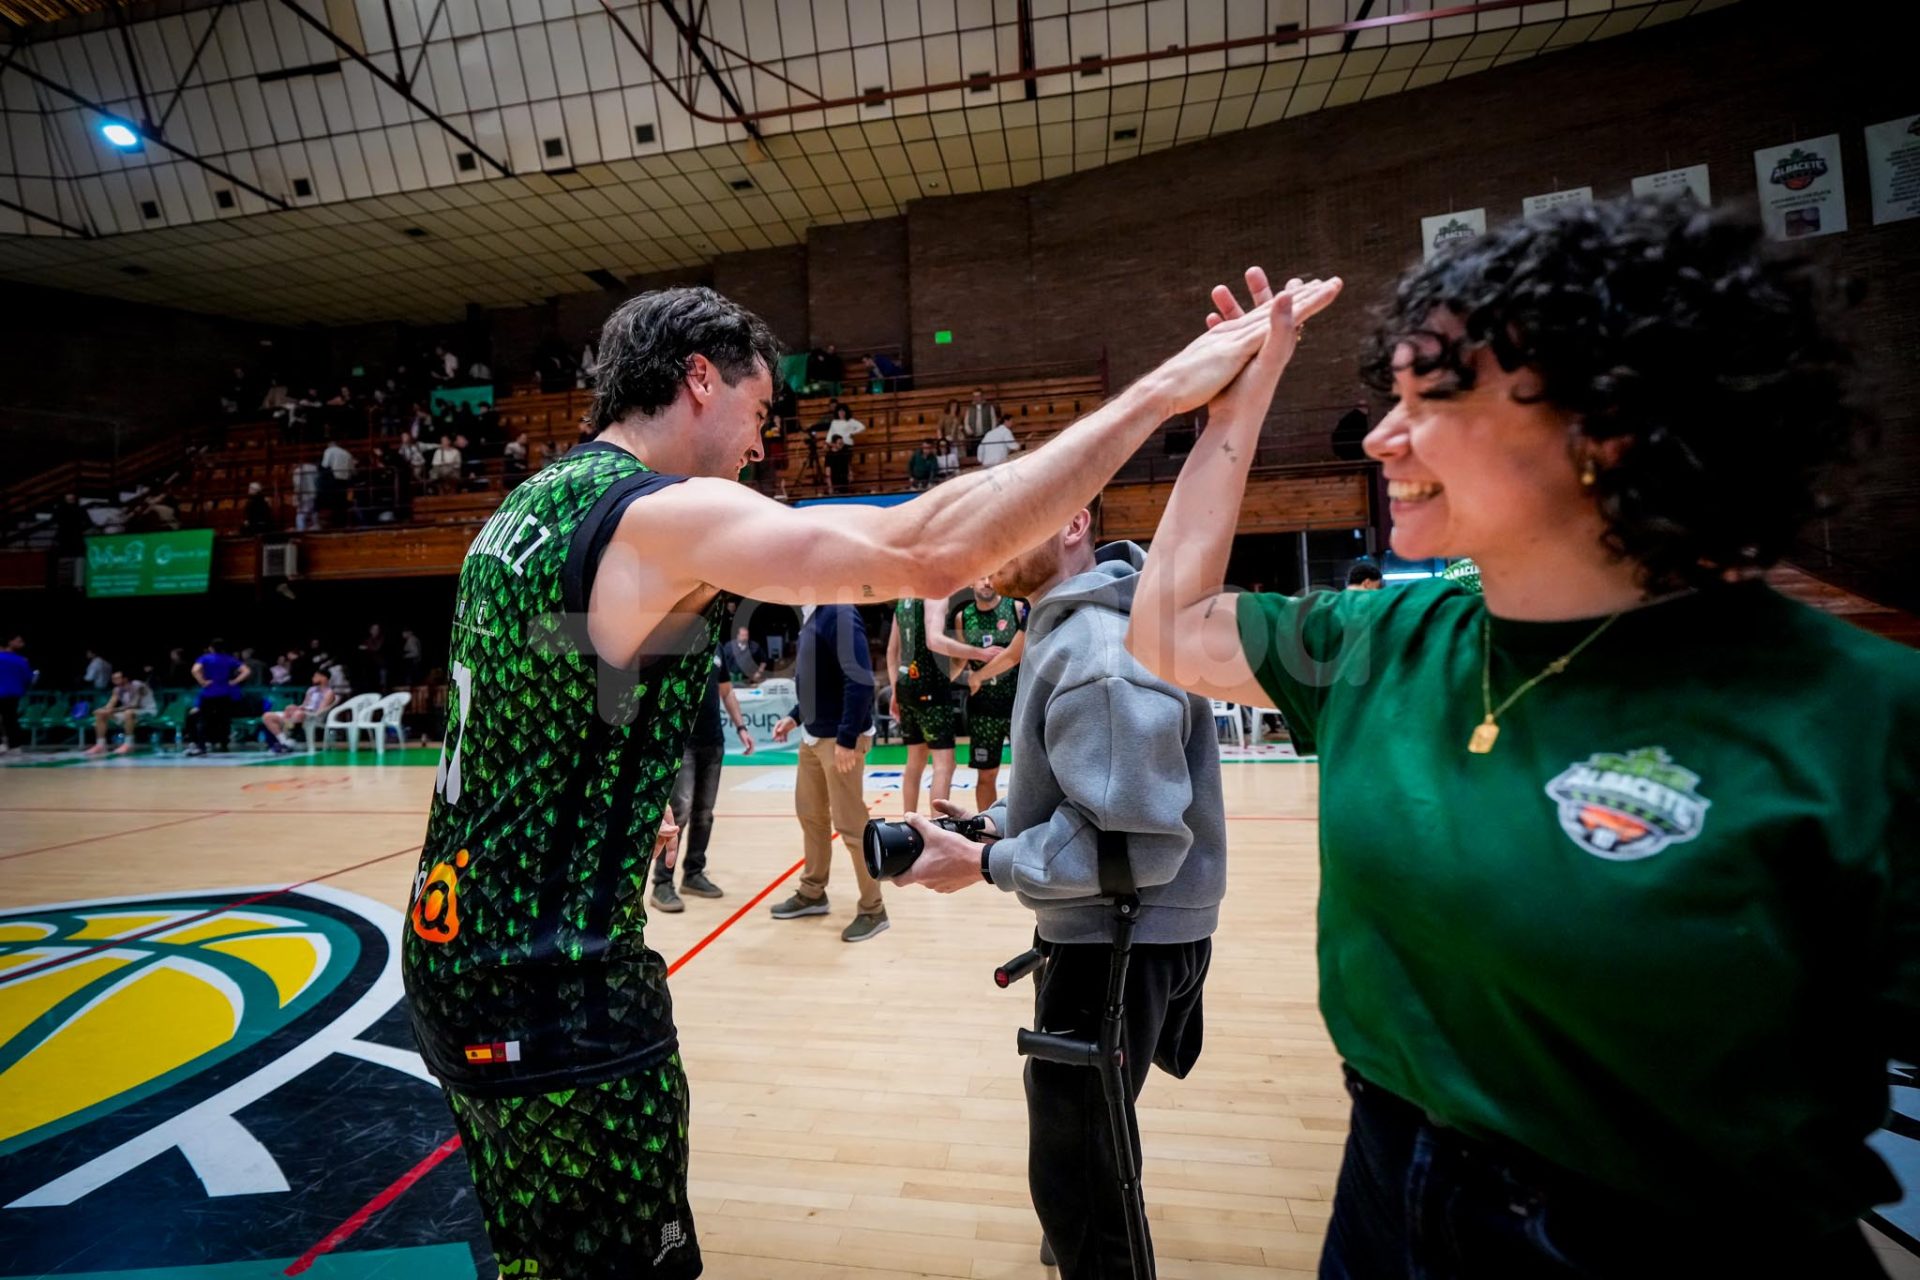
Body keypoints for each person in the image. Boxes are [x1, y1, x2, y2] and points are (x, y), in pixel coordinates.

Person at [400, 280, 1275, 1279]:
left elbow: (570, 686)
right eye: (759, 411)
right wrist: (1164, 393)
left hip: (451, 950)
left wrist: (625, 803)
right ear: (700, 378)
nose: (758, 445)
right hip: (554, 988)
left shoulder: (526, 509)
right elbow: (929, 547)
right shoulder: (656, 515)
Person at [1132, 200, 1920, 1277]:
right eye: (1392, 397)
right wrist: (1240, 398)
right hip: (1386, 1183)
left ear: (1610, 426)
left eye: (1433, 401)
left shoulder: (1864, 717)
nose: (1381, 438)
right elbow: (1169, 628)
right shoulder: (1385, 639)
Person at [896, 502, 1225, 1278]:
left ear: (1074, 523)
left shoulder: (1097, 648)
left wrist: (987, 866)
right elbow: (1083, 793)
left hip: (1120, 937)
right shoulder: (1075, 629)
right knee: (1090, 1132)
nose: (986, 545)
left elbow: (1131, 842)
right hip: (1115, 928)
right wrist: (989, 828)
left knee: (1076, 1174)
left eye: (1008, 521)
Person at [767, 602, 883, 940]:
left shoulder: (839, 612)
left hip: (838, 740)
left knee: (851, 826)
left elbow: (860, 680)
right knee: (811, 816)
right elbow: (819, 680)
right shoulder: (814, 615)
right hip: (813, 736)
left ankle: (874, 909)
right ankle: (813, 892)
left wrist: (847, 738)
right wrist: (795, 716)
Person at [652, 655, 754, 913]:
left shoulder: (717, 648)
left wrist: (741, 728)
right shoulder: (676, 643)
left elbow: (726, 691)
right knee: (679, 812)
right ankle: (662, 883)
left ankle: (693, 874)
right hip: (681, 743)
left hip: (713, 742)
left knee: (705, 814)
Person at [950, 577, 1026, 812]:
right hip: (983, 710)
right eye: (981, 577)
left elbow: (1019, 653)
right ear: (971, 582)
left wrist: (978, 676)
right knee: (986, 775)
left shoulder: (1016, 608)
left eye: (991, 576)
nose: (986, 582)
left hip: (1018, 705)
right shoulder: (963, 618)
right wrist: (947, 680)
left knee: (1027, 774)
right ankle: (987, 825)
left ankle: (1024, 826)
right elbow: (959, 661)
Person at [887, 597, 965, 818]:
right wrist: (972, 652)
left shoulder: (902, 603)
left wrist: (895, 689)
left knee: (914, 762)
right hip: (932, 687)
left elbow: (892, 651)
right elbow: (937, 643)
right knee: (944, 764)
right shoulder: (935, 596)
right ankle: (938, 826)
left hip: (906, 687)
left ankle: (908, 821)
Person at [185, 638, 250, 756]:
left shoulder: (205, 658)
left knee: (203, 720)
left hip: (209, 692)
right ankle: (224, 744)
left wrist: (202, 681)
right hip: (225, 693)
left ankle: (201, 746)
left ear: (211, 648)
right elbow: (246, 671)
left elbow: (195, 670)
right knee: (224, 719)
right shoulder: (229, 659)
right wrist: (235, 681)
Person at [262, 669, 337, 754]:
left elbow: (321, 710)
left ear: (324, 678)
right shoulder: (311, 690)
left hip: (314, 715)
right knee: (267, 716)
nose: (313, 678)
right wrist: (295, 707)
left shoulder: (329, 692)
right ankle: (285, 742)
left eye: (316, 676)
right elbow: (305, 704)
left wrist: (301, 710)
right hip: (302, 713)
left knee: (298, 714)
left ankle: (290, 741)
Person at [85, 670, 157, 755]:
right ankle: (100, 745)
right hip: (128, 711)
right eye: (113, 678)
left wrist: (114, 710)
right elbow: (110, 704)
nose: (114, 680)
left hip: (147, 711)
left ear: (125, 679)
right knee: (101, 714)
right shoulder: (117, 689)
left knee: (129, 713)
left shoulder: (137, 685)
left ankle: (128, 744)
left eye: (117, 678)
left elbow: (134, 705)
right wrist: (102, 710)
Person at [0, 635, 33, 755]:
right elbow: (28, 678)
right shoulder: (21, 660)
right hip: (13, 694)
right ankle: (15, 746)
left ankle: (1, 745)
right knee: (11, 719)